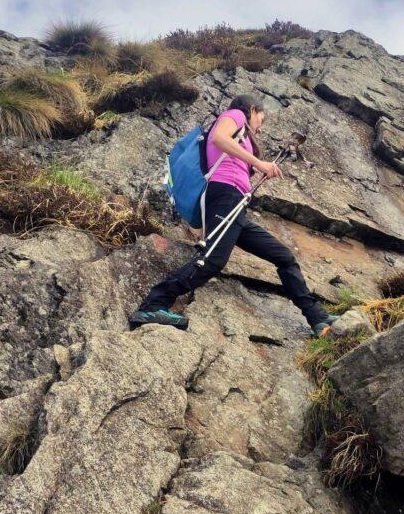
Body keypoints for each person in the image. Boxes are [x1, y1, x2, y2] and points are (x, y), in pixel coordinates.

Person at [129, 94, 337, 337]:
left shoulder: (244, 140)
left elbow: (230, 159)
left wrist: (255, 170)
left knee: (284, 257)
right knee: (213, 260)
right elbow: (219, 138)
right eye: (262, 118)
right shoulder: (236, 115)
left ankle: (317, 318)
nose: (261, 126)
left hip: (236, 204)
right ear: (252, 110)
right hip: (224, 197)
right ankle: (153, 305)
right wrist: (260, 164)